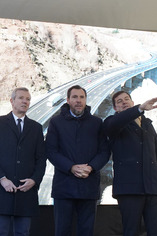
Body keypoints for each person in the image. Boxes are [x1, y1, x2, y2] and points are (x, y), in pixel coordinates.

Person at [103, 90, 157, 236]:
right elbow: (117, 122)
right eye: (119, 101)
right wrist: (139, 109)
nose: (124, 102)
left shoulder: (147, 124)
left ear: (132, 102)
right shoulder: (112, 123)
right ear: (115, 109)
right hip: (129, 190)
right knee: (131, 231)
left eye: (127, 99)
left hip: (153, 187)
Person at [0, 87, 47, 236]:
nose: (25, 101)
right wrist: (2, 179)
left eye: (28, 99)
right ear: (12, 101)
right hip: (1, 190)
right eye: (21, 98)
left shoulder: (36, 128)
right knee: (0, 232)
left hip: (25, 191)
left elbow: (41, 158)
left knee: (23, 233)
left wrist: (34, 180)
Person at [46, 85, 110, 236]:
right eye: (74, 97)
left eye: (82, 97)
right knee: (62, 231)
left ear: (86, 100)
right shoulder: (56, 122)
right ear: (68, 100)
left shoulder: (96, 123)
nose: (78, 101)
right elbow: (51, 151)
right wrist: (71, 167)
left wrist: (91, 167)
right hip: (64, 187)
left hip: (88, 185)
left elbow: (104, 151)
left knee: (86, 231)